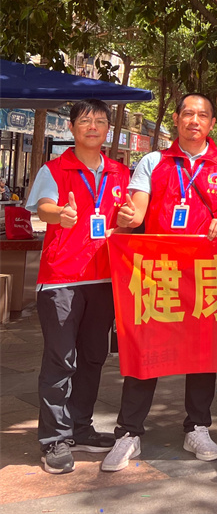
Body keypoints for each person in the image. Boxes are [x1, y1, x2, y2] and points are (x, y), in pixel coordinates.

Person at [102, 93, 217, 472]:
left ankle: (197, 426)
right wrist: (128, 217)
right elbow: (138, 211)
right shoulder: (154, 161)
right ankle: (129, 432)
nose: (194, 120)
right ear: (177, 119)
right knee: (146, 349)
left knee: (202, 352)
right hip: (157, 271)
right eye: (188, 114)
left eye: (202, 115)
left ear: (212, 123)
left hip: (205, 272)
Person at [25, 100, 130, 474]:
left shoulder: (120, 172)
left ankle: (80, 427)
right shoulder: (54, 169)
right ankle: (53, 439)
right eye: (85, 120)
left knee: (92, 357)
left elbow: (127, 217)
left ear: (108, 129)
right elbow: (43, 207)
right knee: (60, 359)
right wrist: (60, 214)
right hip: (62, 280)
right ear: (71, 127)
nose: (93, 126)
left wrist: (129, 219)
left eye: (100, 120)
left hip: (103, 278)